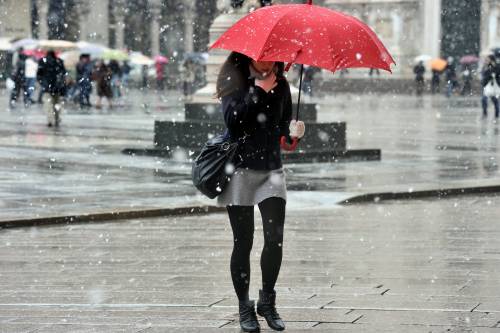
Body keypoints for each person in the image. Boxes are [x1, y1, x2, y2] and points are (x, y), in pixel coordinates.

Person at [215, 52, 305, 332]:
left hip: (271, 171)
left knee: (274, 238)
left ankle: (268, 300)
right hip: (240, 170)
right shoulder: (235, 81)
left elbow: (281, 126)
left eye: (273, 57)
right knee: (243, 242)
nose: (269, 62)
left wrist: (293, 132)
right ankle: (245, 306)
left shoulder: (282, 84)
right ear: (249, 56)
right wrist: (257, 92)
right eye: (263, 57)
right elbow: (233, 121)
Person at [36, 50, 68, 127]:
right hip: (57, 87)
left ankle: (50, 120)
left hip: (47, 87)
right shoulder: (59, 61)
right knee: (56, 104)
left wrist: (42, 83)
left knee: (48, 104)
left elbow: (39, 75)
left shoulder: (42, 61)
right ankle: (57, 119)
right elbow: (63, 74)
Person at [481, 55, 500, 120]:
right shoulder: (486, 67)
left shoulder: (497, 66)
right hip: (488, 86)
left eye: (488, 59)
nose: (486, 61)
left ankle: (497, 115)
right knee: (484, 99)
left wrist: (494, 74)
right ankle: (485, 113)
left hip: (496, 86)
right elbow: (484, 75)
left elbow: (498, 74)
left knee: (495, 101)